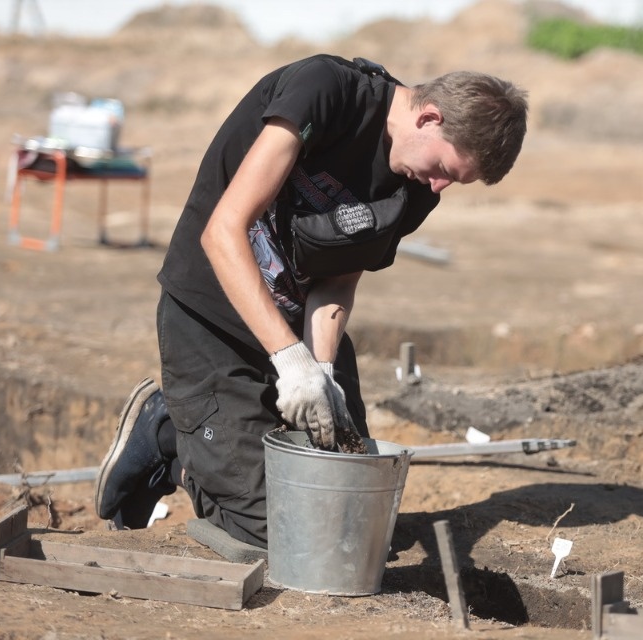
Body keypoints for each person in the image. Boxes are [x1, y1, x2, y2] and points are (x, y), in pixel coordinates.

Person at [93, 54, 528, 549]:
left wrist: (319, 369)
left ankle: (213, 438)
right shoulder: (327, 91)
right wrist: (289, 360)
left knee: (355, 516)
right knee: (282, 531)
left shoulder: (415, 189)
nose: (438, 186)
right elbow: (224, 230)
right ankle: (168, 436)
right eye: (445, 169)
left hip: (299, 336)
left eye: (453, 182)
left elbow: (338, 280)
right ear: (429, 118)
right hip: (212, 323)